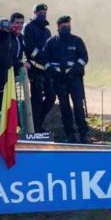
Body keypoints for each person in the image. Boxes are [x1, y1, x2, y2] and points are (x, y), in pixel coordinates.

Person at [42, 15, 90, 143]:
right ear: (58, 27)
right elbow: (45, 60)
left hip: (74, 79)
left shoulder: (77, 41)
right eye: (63, 26)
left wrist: (74, 71)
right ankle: (70, 135)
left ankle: (83, 133)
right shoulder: (51, 42)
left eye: (68, 25)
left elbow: (84, 58)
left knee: (79, 106)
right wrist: (53, 71)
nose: (66, 28)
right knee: (64, 107)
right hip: (59, 80)